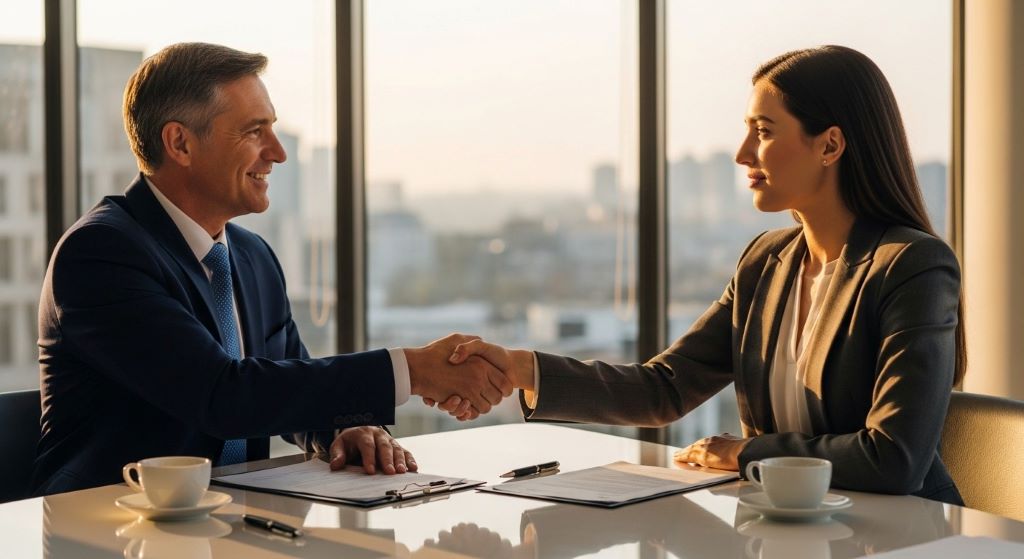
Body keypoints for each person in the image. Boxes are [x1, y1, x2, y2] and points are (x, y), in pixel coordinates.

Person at [439, 45, 966, 504]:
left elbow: (894, 459)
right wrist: (519, 367)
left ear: (829, 145)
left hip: (904, 535)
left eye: (763, 132)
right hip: (785, 529)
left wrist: (744, 454)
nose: (742, 155)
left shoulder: (911, 266)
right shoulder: (766, 262)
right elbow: (663, 390)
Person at [33, 42, 512, 496]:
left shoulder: (252, 256)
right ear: (180, 143)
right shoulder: (100, 253)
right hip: (106, 531)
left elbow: (284, 383)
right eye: (253, 131)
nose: (278, 152)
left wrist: (343, 428)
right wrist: (413, 370)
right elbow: (222, 397)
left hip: (235, 523)